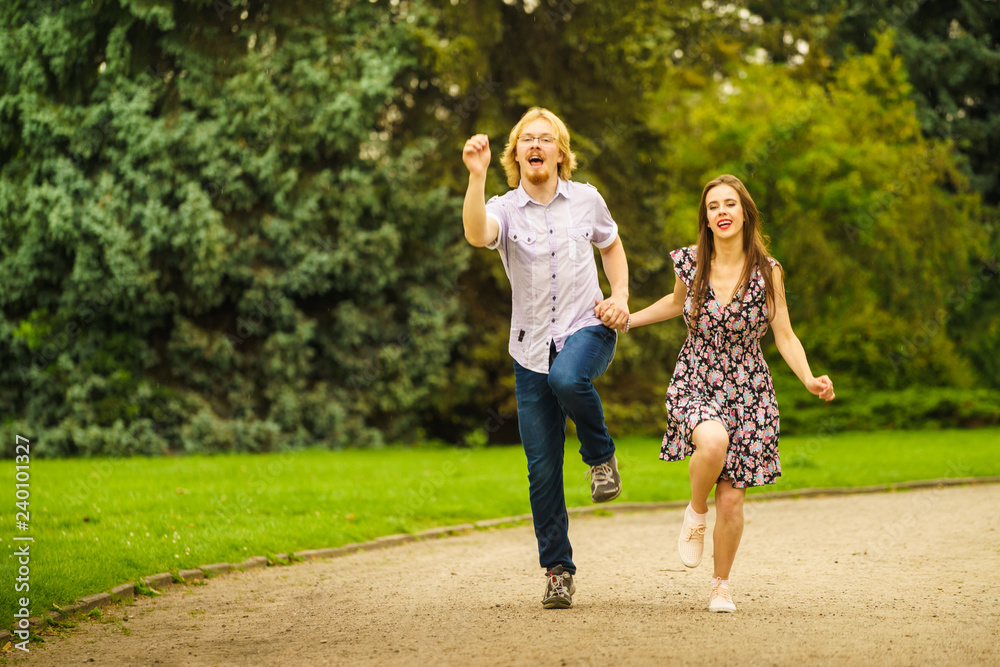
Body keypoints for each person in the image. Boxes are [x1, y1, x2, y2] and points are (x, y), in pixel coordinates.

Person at [599, 174, 834, 613]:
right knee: (712, 441)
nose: (722, 212)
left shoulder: (769, 271)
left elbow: (784, 335)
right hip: (698, 374)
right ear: (705, 219)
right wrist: (628, 319)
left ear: (745, 213)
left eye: (730, 204)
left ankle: (720, 585)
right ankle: (694, 512)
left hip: (750, 387)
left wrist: (808, 378)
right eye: (713, 207)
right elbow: (675, 304)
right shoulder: (691, 263)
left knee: (733, 496)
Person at [462, 107, 630, 609]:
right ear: (516, 155)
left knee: (567, 378)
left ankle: (600, 457)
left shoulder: (586, 199)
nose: (536, 146)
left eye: (546, 138)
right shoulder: (506, 208)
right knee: (541, 471)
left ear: (560, 152)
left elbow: (612, 244)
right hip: (529, 347)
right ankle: (558, 570)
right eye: (527, 140)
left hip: (588, 329)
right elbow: (476, 233)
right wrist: (475, 177)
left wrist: (619, 296)